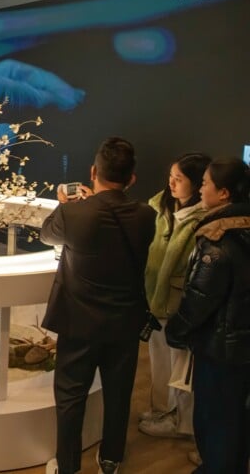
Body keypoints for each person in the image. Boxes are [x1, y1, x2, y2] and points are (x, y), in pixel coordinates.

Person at [40, 137, 155, 474]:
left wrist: (66, 205)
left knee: (70, 397)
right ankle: (110, 459)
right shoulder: (146, 216)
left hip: (79, 322)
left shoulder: (75, 213)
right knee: (119, 393)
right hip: (124, 323)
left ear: (92, 172)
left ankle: (68, 467)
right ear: (131, 178)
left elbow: (48, 234)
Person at [166, 157, 250, 474]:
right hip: (242, 349)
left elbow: (198, 302)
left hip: (220, 351)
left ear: (224, 193)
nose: (201, 189)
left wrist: (176, 332)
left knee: (215, 419)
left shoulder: (217, 243)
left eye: (205, 183)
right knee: (238, 420)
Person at [139, 153, 210, 441]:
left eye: (179, 179)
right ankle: (160, 411)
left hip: (179, 305)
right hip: (154, 300)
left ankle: (181, 422)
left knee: (181, 367)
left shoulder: (201, 219)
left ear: (196, 184)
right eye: (170, 175)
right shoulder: (160, 208)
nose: (171, 182)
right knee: (159, 360)